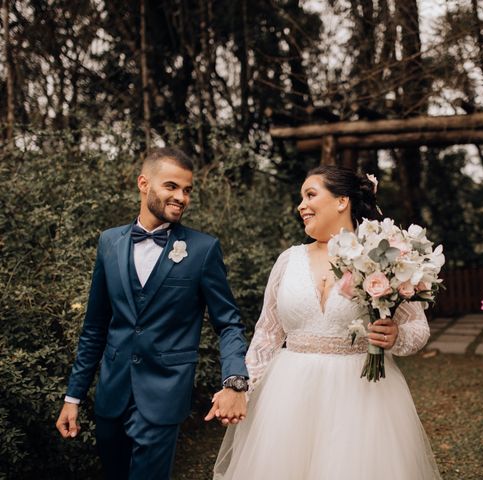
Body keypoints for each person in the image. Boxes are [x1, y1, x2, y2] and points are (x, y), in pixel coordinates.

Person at [213, 165, 441, 479]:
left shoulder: (380, 257)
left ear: (341, 201)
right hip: (288, 396)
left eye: (310, 195)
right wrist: (240, 387)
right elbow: (266, 334)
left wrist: (396, 335)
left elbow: (418, 328)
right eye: (301, 198)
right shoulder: (287, 261)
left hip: (363, 396)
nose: (301, 206)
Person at [56, 147, 249, 480]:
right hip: (111, 394)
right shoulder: (109, 242)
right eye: (171, 186)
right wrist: (73, 396)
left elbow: (229, 322)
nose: (181, 197)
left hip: (164, 393)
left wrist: (234, 380)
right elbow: (95, 326)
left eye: (187, 190)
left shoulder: (203, 250)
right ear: (143, 184)